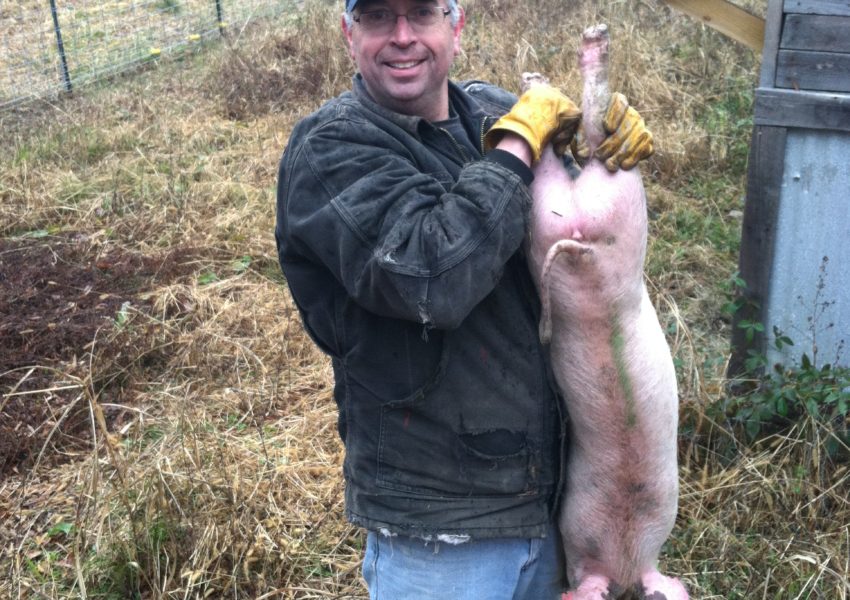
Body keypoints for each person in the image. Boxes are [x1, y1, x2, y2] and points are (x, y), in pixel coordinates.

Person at [275, 0, 653, 598]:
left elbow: (566, 232)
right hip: (438, 528)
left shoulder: (492, 111)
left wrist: (598, 150)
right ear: (349, 34)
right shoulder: (332, 149)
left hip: (550, 500)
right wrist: (519, 144)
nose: (402, 36)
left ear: (457, 27)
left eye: (423, 13)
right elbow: (432, 277)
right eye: (378, 17)